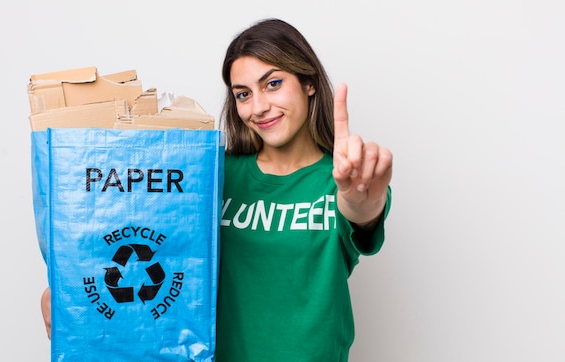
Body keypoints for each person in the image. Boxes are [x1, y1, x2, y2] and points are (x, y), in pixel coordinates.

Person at [40, 17, 392, 362]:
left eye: (272, 84)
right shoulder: (210, 174)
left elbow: (361, 212)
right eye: (243, 94)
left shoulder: (347, 180)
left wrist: (361, 200)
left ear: (309, 82)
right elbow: (137, 231)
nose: (258, 107)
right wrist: (68, 288)